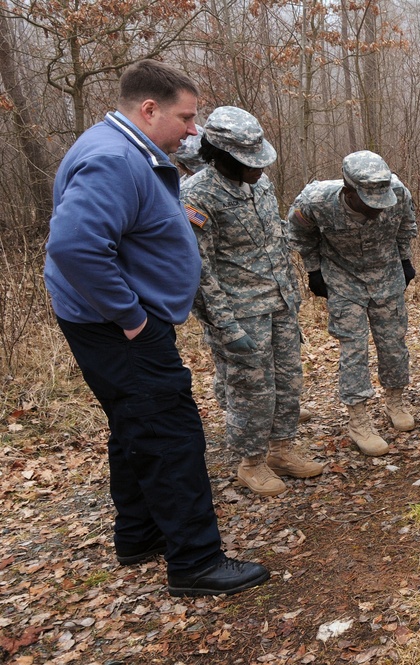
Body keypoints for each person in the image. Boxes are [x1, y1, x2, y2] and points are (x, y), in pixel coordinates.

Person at [43, 59, 269, 596]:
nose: (194, 130)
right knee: (171, 432)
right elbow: (74, 246)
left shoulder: (123, 148)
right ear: (149, 109)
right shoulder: (114, 159)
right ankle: (196, 561)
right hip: (118, 327)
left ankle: (139, 534)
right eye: (186, 118)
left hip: (111, 322)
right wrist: (134, 320)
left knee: (134, 424)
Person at [181, 106, 322, 498]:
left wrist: (293, 294)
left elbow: (274, 238)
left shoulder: (260, 185)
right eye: (249, 163)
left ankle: (280, 451)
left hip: (279, 304)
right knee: (251, 390)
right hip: (240, 315)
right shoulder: (196, 195)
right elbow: (199, 270)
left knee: (288, 382)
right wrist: (225, 326)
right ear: (223, 156)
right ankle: (251, 462)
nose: (258, 168)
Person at [289, 151, 418, 457]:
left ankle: (396, 401)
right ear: (348, 190)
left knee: (393, 343)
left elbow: (406, 227)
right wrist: (313, 269)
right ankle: (359, 419)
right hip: (343, 278)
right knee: (353, 347)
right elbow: (298, 232)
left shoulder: (398, 193)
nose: (376, 208)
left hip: (386, 274)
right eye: (368, 201)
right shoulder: (316, 201)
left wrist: (405, 260)